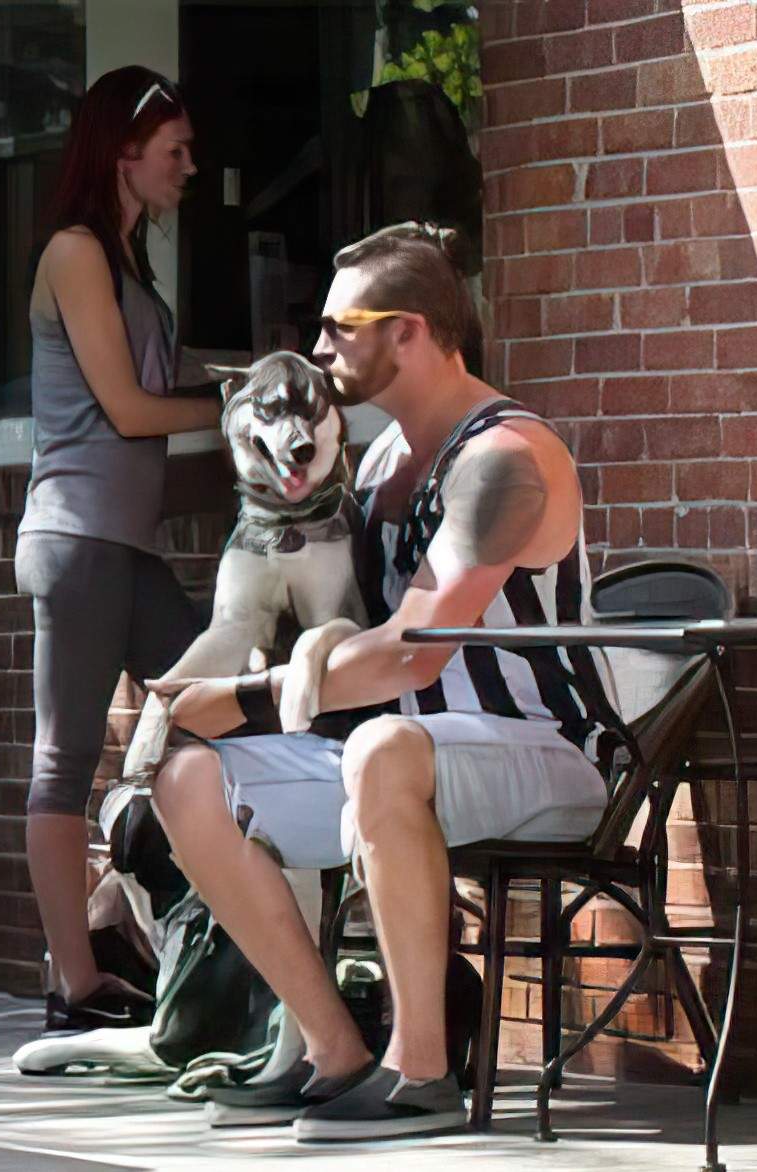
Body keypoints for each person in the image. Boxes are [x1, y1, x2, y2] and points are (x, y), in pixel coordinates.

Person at [145, 222, 621, 1141]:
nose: (318, 350)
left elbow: (414, 651)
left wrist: (249, 698)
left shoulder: (506, 458)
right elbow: (332, 630)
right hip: (399, 758)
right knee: (185, 774)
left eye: (337, 327)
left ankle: (422, 1071)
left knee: (382, 744)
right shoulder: (382, 463)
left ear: (406, 330)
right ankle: (333, 1052)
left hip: (548, 757)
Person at [15, 66, 220, 1035]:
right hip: (77, 536)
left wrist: (255, 379)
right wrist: (237, 408)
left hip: (124, 546)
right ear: (123, 153)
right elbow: (132, 409)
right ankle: (74, 979)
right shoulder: (76, 252)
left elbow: (159, 385)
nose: (190, 165)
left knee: (216, 709)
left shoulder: (131, 265)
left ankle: (118, 913)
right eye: (174, 150)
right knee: (64, 758)